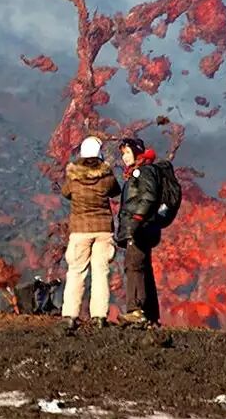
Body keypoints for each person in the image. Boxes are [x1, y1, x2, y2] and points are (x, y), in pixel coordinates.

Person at [61, 135, 121, 330]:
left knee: (76, 272)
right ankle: (99, 317)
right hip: (103, 230)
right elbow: (116, 191)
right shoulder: (106, 178)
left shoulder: (73, 178)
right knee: (101, 273)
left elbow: (65, 193)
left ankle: (70, 315)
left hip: (80, 230)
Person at [116, 137, 161, 325]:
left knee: (133, 266)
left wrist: (136, 220)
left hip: (139, 229)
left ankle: (136, 310)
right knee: (143, 268)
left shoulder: (143, 171)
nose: (124, 157)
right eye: (123, 154)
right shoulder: (140, 171)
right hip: (143, 228)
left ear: (136, 152)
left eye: (127, 152)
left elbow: (149, 196)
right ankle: (150, 314)